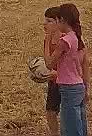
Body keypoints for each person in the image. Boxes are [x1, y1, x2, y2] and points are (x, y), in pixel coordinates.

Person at [44, 3, 91, 136]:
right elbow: (85, 63)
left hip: (68, 88)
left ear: (63, 20)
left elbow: (48, 63)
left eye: (57, 20)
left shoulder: (65, 41)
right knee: (80, 125)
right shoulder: (77, 38)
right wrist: (87, 88)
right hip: (78, 86)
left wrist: (47, 40)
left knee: (70, 128)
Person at [42, 7, 64, 136]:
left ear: (58, 22)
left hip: (66, 81)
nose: (44, 24)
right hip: (54, 81)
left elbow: (73, 65)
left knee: (68, 113)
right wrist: (47, 40)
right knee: (50, 112)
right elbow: (48, 63)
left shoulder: (65, 40)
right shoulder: (48, 40)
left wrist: (59, 73)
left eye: (49, 21)